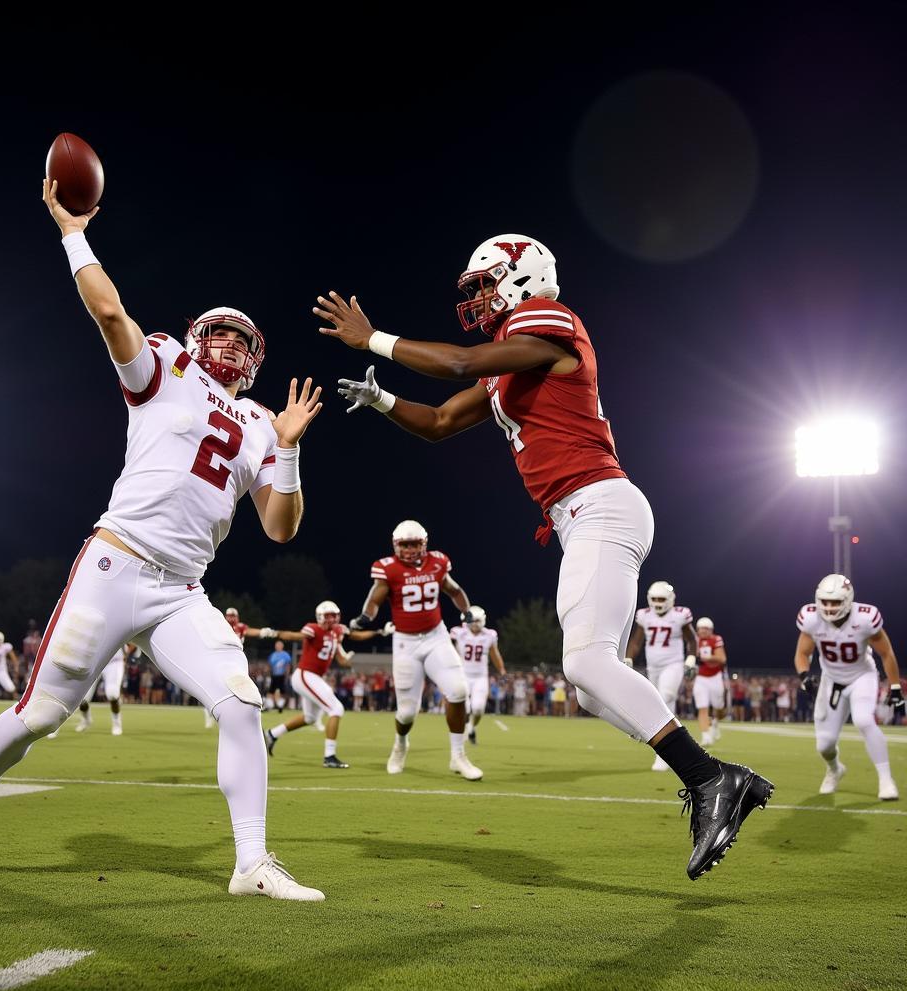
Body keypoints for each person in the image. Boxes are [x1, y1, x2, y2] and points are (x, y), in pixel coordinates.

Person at [315, 233, 773, 878]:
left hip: (599, 504)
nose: (475, 299)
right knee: (591, 686)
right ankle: (712, 779)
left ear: (522, 277)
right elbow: (444, 421)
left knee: (585, 661)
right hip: (579, 515)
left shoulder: (549, 323)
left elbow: (456, 364)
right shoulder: (513, 365)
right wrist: (385, 400)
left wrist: (376, 341)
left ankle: (713, 779)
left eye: (483, 284)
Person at [0, 177, 325, 901]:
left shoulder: (266, 423)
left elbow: (279, 526)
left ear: (256, 355)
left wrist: (290, 450)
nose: (228, 346)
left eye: (241, 339)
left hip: (182, 591)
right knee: (40, 715)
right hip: (117, 563)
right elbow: (110, 313)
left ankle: (252, 862)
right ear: (198, 337)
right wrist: (72, 229)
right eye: (219, 333)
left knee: (240, 700)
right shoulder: (167, 365)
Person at [349, 520, 483, 781]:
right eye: (405, 544)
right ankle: (400, 743)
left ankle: (458, 756)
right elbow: (375, 598)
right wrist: (365, 617)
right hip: (406, 643)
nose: (410, 549)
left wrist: (466, 611)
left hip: (436, 637)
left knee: (458, 691)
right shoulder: (388, 569)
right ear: (396, 545)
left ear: (424, 544)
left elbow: (454, 590)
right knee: (407, 712)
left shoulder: (437, 562)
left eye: (414, 544)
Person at [795, 574, 899, 800]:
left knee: (863, 719)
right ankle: (835, 769)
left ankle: (886, 779)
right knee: (824, 745)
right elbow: (803, 653)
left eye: (835, 602)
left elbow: (886, 653)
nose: (830, 608)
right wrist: (804, 676)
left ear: (848, 600)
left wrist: (895, 686)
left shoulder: (865, 618)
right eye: (825, 602)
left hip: (862, 675)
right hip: (831, 679)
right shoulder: (811, 618)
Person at [264, 601, 390, 767]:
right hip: (305, 675)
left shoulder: (337, 632)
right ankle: (329, 756)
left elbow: (353, 639)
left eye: (334, 615)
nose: (331, 619)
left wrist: (379, 632)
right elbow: (295, 636)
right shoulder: (313, 629)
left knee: (310, 718)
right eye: (328, 615)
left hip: (313, 677)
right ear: (320, 616)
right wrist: (275, 633)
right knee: (336, 708)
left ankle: (271, 734)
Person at [626, 581, 697, 770]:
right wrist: (629, 659)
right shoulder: (644, 616)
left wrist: (691, 659)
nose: (658, 603)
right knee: (657, 703)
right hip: (653, 667)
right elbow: (636, 641)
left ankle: (665, 754)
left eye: (662, 599)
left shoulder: (680, 615)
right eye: (655, 599)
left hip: (673, 664)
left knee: (666, 697)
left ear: (671, 600)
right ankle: (664, 743)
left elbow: (692, 639)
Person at [449, 606, 505, 744]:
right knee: (466, 708)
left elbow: (494, 654)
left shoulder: (489, 635)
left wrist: (502, 670)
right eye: (472, 620)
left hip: (480, 676)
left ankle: (472, 728)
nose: (474, 623)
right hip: (462, 675)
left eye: (477, 620)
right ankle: (465, 729)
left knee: (478, 708)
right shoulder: (459, 632)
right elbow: (448, 648)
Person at [74, 644, 135, 736]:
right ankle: (86, 720)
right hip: (94, 662)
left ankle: (116, 723)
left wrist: (126, 654)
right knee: (83, 698)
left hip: (114, 661)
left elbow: (133, 643)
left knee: (112, 694)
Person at [693, 617, 727, 747]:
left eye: (705, 628)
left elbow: (722, 658)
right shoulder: (695, 640)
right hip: (701, 678)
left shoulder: (716, 639)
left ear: (711, 630)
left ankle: (715, 722)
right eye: (700, 628)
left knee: (718, 707)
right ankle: (706, 736)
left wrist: (707, 658)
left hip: (715, 677)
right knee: (702, 707)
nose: (702, 631)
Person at [267, 639, 293, 711]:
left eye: (279, 645)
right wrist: (269, 675)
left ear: (282, 646)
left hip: (282, 675)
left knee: (283, 691)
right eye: (276, 645)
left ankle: (281, 705)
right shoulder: (272, 655)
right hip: (274, 675)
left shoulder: (285, 655)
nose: (277, 646)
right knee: (271, 690)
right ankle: (270, 705)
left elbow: (288, 665)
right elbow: (269, 665)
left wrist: (287, 675)